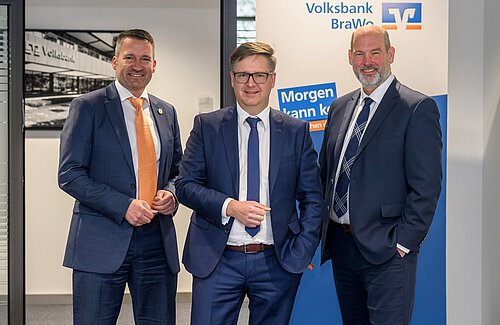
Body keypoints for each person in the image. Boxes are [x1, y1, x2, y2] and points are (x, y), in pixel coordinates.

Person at [176, 42, 323, 325]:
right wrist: (229, 206)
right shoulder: (207, 126)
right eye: (243, 75)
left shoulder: (295, 131)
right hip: (217, 259)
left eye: (259, 75)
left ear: (272, 80)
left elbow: (313, 197)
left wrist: (302, 248)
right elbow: (185, 185)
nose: (251, 83)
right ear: (232, 79)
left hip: (275, 261)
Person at [319, 25, 442, 324]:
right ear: (349, 58)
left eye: (375, 53)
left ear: (391, 54)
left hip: (388, 250)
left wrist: (403, 242)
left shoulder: (416, 108)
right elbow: (326, 174)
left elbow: (426, 187)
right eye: (359, 54)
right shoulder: (339, 107)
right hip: (342, 246)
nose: (367, 61)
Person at [58, 29, 182, 324]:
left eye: (145, 58)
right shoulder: (87, 106)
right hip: (101, 241)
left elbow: (179, 171)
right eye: (129, 57)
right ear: (115, 62)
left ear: (154, 65)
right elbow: (70, 173)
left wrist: (172, 193)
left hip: (156, 242)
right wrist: (123, 205)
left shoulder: (167, 111)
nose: (137, 65)